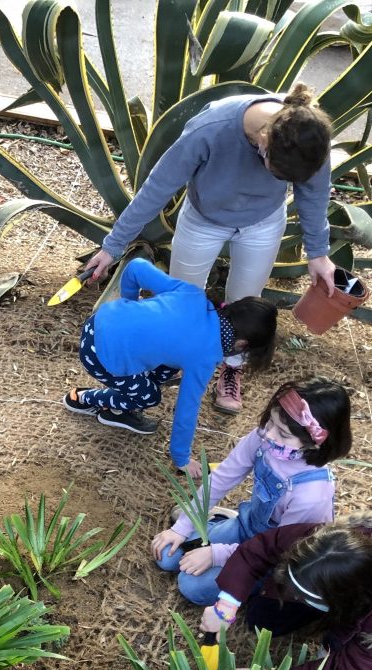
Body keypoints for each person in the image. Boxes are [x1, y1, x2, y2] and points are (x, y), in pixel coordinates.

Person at [86, 84, 334, 415]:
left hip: (262, 222)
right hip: (204, 219)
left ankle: (231, 368)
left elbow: (314, 195)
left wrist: (318, 253)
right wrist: (113, 246)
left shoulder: (309, 138)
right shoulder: (213, 127)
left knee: (246, 303)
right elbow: (157, 187)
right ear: (263, 141)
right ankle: (170, 358)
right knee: (181, 299)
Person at [62, 258, 277, 475]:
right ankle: (86, 399)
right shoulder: (205, 356)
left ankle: (125, 395)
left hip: (100, 319)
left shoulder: (193, 295)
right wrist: (181, 458)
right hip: (100, 355)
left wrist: (129, 303)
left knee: (170, 366)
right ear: (241, 344)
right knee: (149, 397)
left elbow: (135, 267)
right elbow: (187, 408)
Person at [152, 377, 351, 605]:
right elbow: (220, 479)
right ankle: (220, 520)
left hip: (271, 557)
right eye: (271, 422)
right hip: (247, 526)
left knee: (192, 587)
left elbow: (280, 551)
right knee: (166, 556)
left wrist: (217, 554)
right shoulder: (263, 439)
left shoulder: (312, 493)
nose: (270, 434)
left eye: (284, 434)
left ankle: (249, 576)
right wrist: (181, 528)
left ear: (315, 442)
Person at [200, 513, 372, 670]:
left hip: (359, 613)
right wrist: (226, 605)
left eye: (306, 597)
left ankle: (336, 641)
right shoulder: (324, 544)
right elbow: (260, 549)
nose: (296, 598)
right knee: (263, 618)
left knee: (337, 649)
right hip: (342, 595)